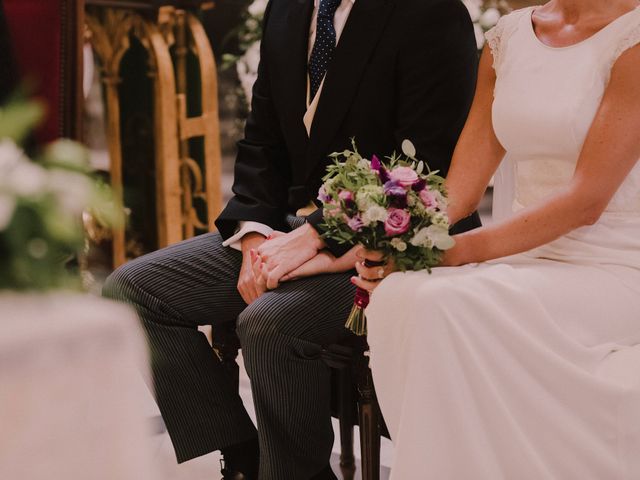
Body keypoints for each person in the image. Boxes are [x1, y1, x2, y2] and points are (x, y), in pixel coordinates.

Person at [103, 0, 481, 478]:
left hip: (398, 245)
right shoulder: (288, 8)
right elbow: (262, 142)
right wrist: (253, 235)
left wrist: (318, 234)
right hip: (285, 229)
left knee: (269, 322)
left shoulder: (430, 12)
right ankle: (245, 459)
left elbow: (426, 166)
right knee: (135, 290)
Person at [358, 0, 640, 478]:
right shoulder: (507, 38)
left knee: (442, 306)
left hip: (615, 266)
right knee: (399, 295)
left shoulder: (631, 39)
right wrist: (398, 240)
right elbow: (460, 194)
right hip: (527, 260)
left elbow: (585, 201)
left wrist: (458, 252)